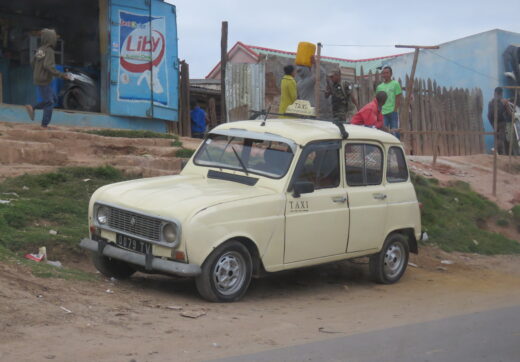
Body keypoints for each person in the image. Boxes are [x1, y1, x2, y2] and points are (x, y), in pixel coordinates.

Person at [25, 29, 71, 129]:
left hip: (39, 78)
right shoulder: (49, 50)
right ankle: (44, 125)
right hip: (44, 79)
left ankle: (32, 107)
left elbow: (32, 63)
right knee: (50, 102)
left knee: (53, 99)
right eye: (54, 38)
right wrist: (61, 75)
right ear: (51, 39)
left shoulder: (41, 49)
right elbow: (48, 66)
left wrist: (38, 72)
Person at [376, 66, 402, 138]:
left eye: (387, 73)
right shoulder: (379, 87)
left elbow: (398, 98)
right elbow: (378, 100)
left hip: (393, 112)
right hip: (383, 113)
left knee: (395, 132)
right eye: (383, 73)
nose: (385, 75)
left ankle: (396, 147)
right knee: (383, 132)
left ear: (391, 74)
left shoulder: (395, 84)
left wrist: (395, 109)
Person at [487, 87, 511, 155]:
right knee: (501, 139)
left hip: (494, 123)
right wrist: (512, 116)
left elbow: (488, 115)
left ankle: (501, 153)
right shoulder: (504, 102)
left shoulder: (490, 103)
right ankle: (497, 150)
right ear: (501, 93)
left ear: (494, 93)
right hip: (502, 123)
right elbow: (509, 113)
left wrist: (492, 124)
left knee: (498, 138)